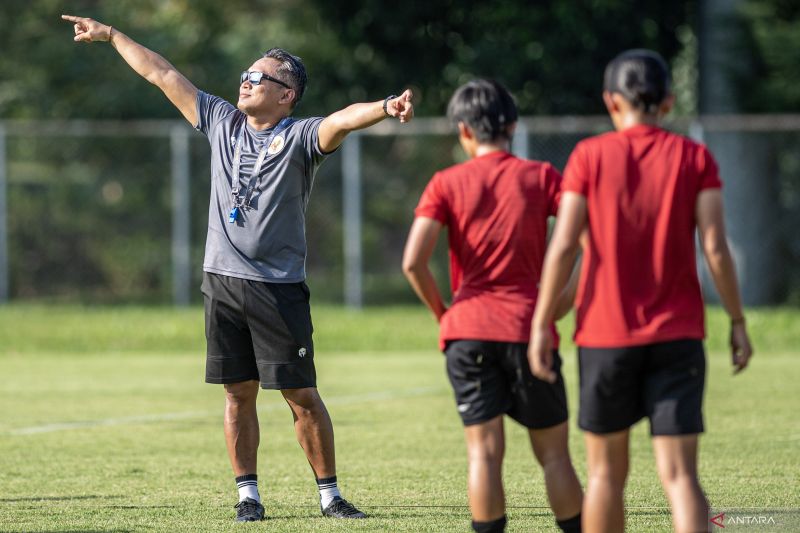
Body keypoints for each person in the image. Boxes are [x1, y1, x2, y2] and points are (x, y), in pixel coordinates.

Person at [61, 14, 414, 522]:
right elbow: (162, 75)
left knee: (301, 396)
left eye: (260, 77)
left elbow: (342, 119)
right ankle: (248, 495)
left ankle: (329, 496)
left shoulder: (300, 136)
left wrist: (385, 107)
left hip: (277, 289)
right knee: (236, 394)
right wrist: (113, 35)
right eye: (246, 75)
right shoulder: (223, 121)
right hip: (221, 282)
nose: (246, 81)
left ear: (286, 94)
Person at [528, 49, 754, 533]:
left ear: (611, 102)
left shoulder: (588, 156)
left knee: (606, 476)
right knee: (680, 476)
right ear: (668, 102)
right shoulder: (695, 157)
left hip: (605, 337)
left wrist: (541, 323)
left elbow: (564, 245)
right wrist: (737, 320)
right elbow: (715, 248)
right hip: (678, 337)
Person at [402, 79, 583, 533]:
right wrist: (562, 301)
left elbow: (412, 262)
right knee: (555, 455)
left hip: (468, 331)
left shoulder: (445, 182)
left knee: (483, 454)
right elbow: (590, 240)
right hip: (529, 329)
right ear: (513, 127)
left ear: (463, 131)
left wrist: (447, 316)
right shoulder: (541, 176)